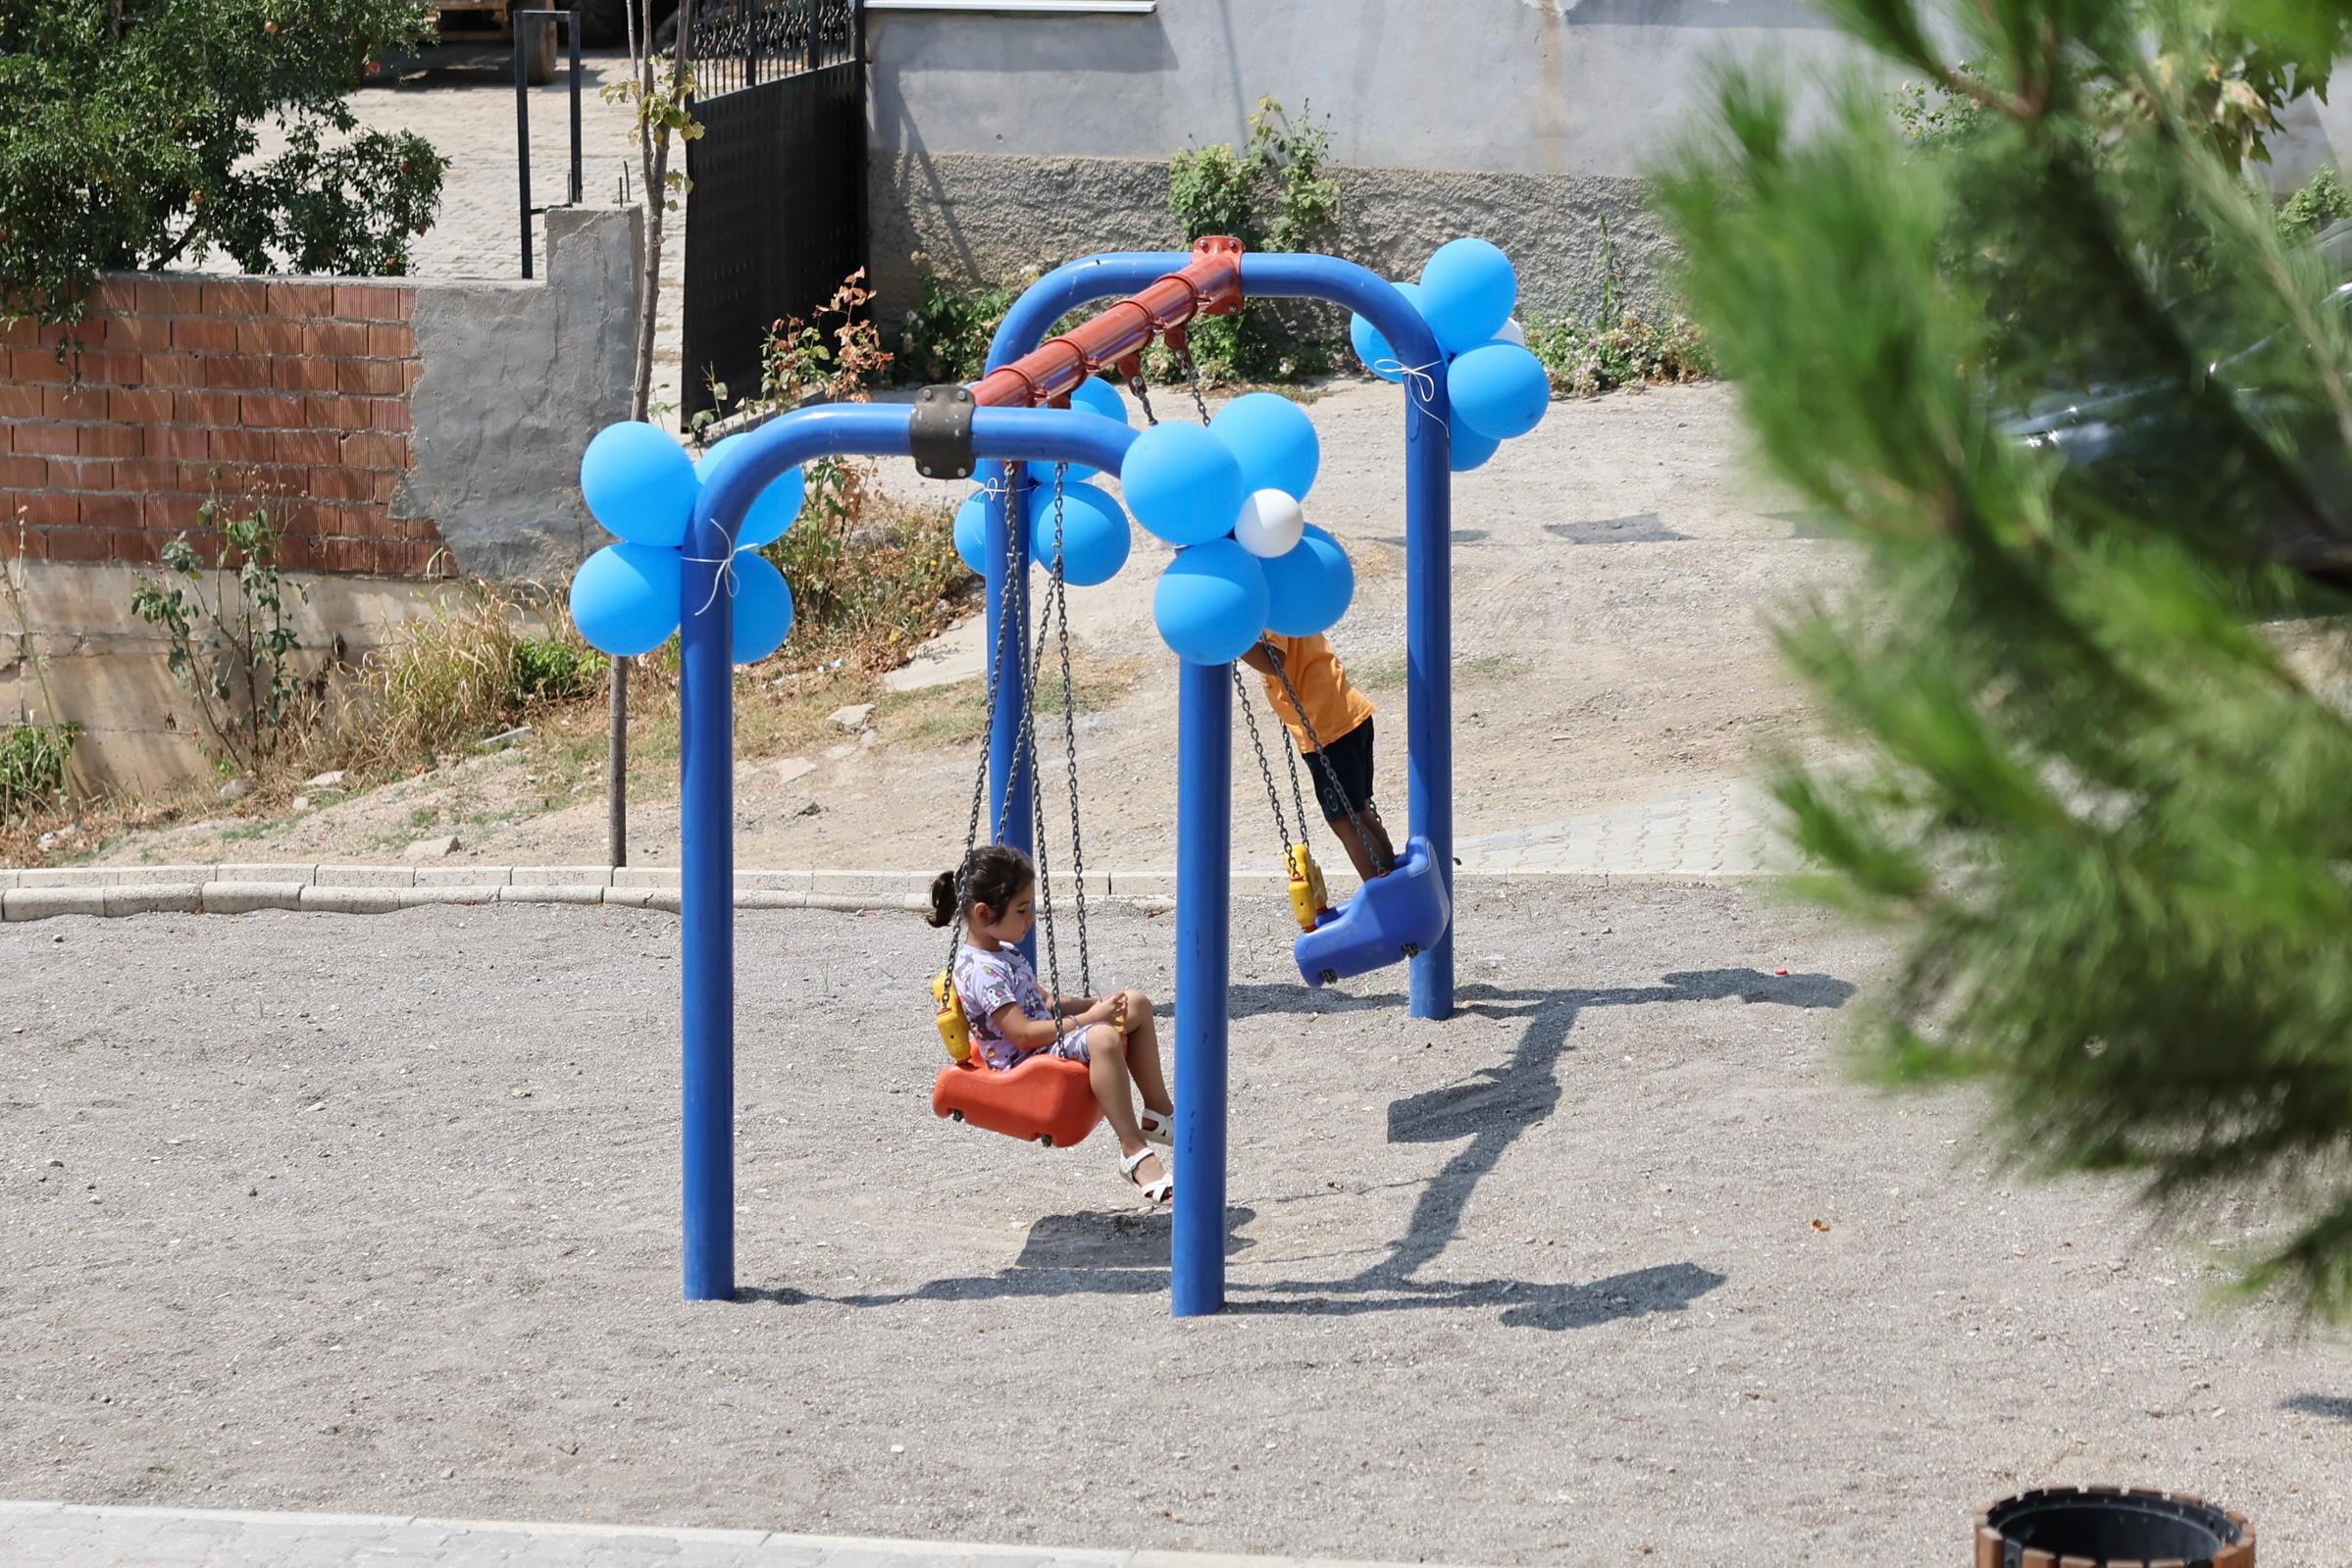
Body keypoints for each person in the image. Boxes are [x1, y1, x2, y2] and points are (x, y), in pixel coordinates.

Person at [927, 843, 1174, 1204]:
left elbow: (1045, 1003)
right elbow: (1023, 1034)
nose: (1031, 918)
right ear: (983, 913)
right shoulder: (982, 972)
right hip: (1025, 1060)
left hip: (1048, 1039)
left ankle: (1158, 1112)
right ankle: (1133, 1151)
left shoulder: (1004, 952)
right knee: (1103, 1038)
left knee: (1135, 1002)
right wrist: (1091, 1018)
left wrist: (1096, 1004)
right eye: (1022, 910)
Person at [1240, 632, 1397, 883]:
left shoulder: (1271, 614)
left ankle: (1384, 892)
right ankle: (1396, 884)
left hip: (1327, 730)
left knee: (1345, 821)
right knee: (1359, 812)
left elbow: (1273, 660)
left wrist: (1233, 641)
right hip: (1346, 713)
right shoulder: (1290, 610)